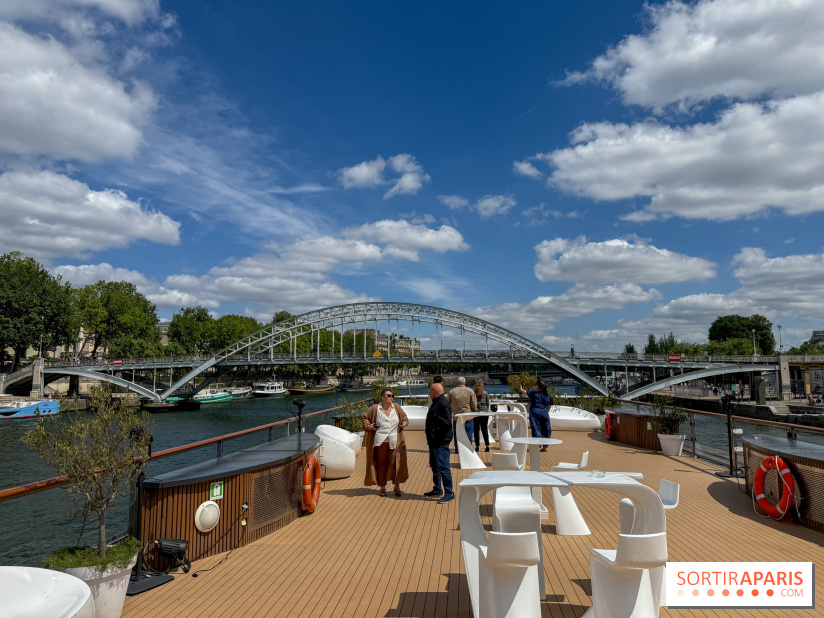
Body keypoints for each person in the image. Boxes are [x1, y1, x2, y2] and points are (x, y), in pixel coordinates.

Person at [363, 389, 409, 497]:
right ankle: (382, 487)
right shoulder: (375, 409)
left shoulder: (396, 407)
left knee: (394, 463)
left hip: (394, 440)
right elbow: (365, 419)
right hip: (380, 441)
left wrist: (404, 424)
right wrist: (369, 427)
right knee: (381, 465)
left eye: (392, 395)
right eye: (389, 395)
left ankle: (396, 486)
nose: (391, 397)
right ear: (382, 397)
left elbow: (405, 418)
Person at [425, 382, 454, 503]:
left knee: (443, 467)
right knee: (435, 466)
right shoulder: (437, 401)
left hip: (440, 440)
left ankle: (449, 492)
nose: (429, 393)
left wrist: (434, 430)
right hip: (434, 440)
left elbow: (446, 422)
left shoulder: (442, 402)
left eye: (431, 391)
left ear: (436, 392)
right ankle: (437, 488)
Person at [520, 378, 553, 450]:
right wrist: (545, 411)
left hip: (535, 412)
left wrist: (521, 388)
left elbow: (524, 392)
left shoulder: (533, 392)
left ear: (538, 386)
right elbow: (549, 406)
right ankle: (545, 445)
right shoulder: (548, 396)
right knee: (546, 428)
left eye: (536, 385)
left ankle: (537, 444)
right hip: (544, 413)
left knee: (535, 428)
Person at [447, 376, 477, 454]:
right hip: (467, 415)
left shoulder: (452, 391)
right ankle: (468, 448)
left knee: (457, 432)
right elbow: (474, 404)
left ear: (457, 383)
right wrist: (474, 410)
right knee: (468, 432)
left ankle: (457, 448)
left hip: (457, 416)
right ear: (465, 383)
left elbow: (448, 403)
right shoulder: (470, 391)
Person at [473, 378, 491, 452]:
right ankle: (487, 445)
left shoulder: (473, 393)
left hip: (476, 413)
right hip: (484, 413)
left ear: (475, 386)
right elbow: (487, 404)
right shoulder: (486, 393)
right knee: (484, 429)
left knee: (476, 430)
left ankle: (477, 446)